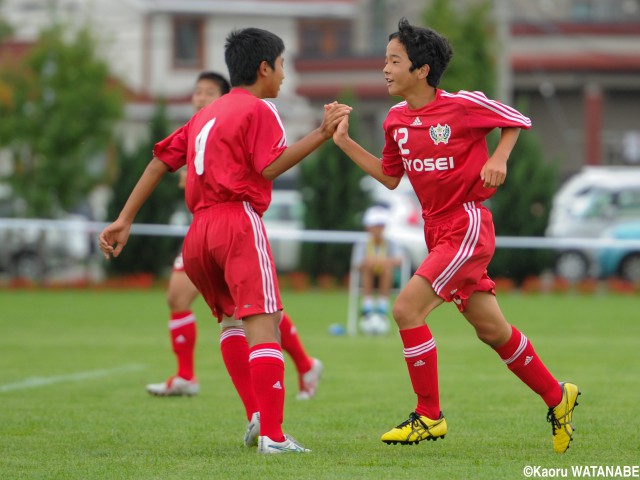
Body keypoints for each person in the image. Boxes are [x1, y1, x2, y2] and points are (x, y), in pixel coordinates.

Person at [332, 18, 579, 454]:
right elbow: (391, 178)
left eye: (393, 61)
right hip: (436, 230)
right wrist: (345, 142)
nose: (385, 69)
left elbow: (517, 120)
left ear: (422, 70)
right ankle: (558, 397)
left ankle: (429, 415)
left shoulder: (462, 106)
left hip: (465, 225)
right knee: (492, 330)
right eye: (385, 61)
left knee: (406, 309)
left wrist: (499, 158)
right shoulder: (395, 120)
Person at [99, 27, 351, 454]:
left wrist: (123, 219)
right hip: (237, 220)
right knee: (263, 322)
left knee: (232, 323)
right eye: (283, 65)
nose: (285, 76)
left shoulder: (204, 115)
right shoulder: (260, 109)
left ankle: (255, 415)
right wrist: (322, 134)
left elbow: (159, 161)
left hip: (198, 231)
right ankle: (273, 434)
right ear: (264, 68)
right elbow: (270, 167)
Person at [147, 71, 324, 401]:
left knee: (257, 311)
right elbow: (161, 164)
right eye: (196, 91)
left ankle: (300, 367)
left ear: (225, 95)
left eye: (208, 91)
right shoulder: (199, 127)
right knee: (197, 302)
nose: (200, 97)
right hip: (205, 228)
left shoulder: (241, 116)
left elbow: (265, 166)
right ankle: (196, 380)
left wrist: (321, 134)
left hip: (232, 223)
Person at [351, 205, 403, 333]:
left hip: (388, 275)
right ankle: (367, 304)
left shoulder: (391, 242)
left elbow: (399, 260)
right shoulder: (363, 242)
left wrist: (382, 262)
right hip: (367, 274)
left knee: (386, 267)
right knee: (368, 265)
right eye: (376, 225)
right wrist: (371, 262)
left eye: (381, 225)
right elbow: (357, 263)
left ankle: (382, 305)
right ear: (368, 227)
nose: (379, 229)